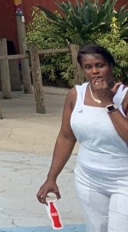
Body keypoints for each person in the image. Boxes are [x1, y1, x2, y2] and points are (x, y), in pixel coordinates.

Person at [38, 44, 128, 232]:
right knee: (96, 228)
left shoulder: (124, 96)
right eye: (88, 67)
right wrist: (51, 178)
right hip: (88, 178)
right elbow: (66, 137)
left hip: (123, 179)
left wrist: (109, 104)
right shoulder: (75, 95)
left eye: (100, 65)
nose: (95, 71)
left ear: (111, 66)